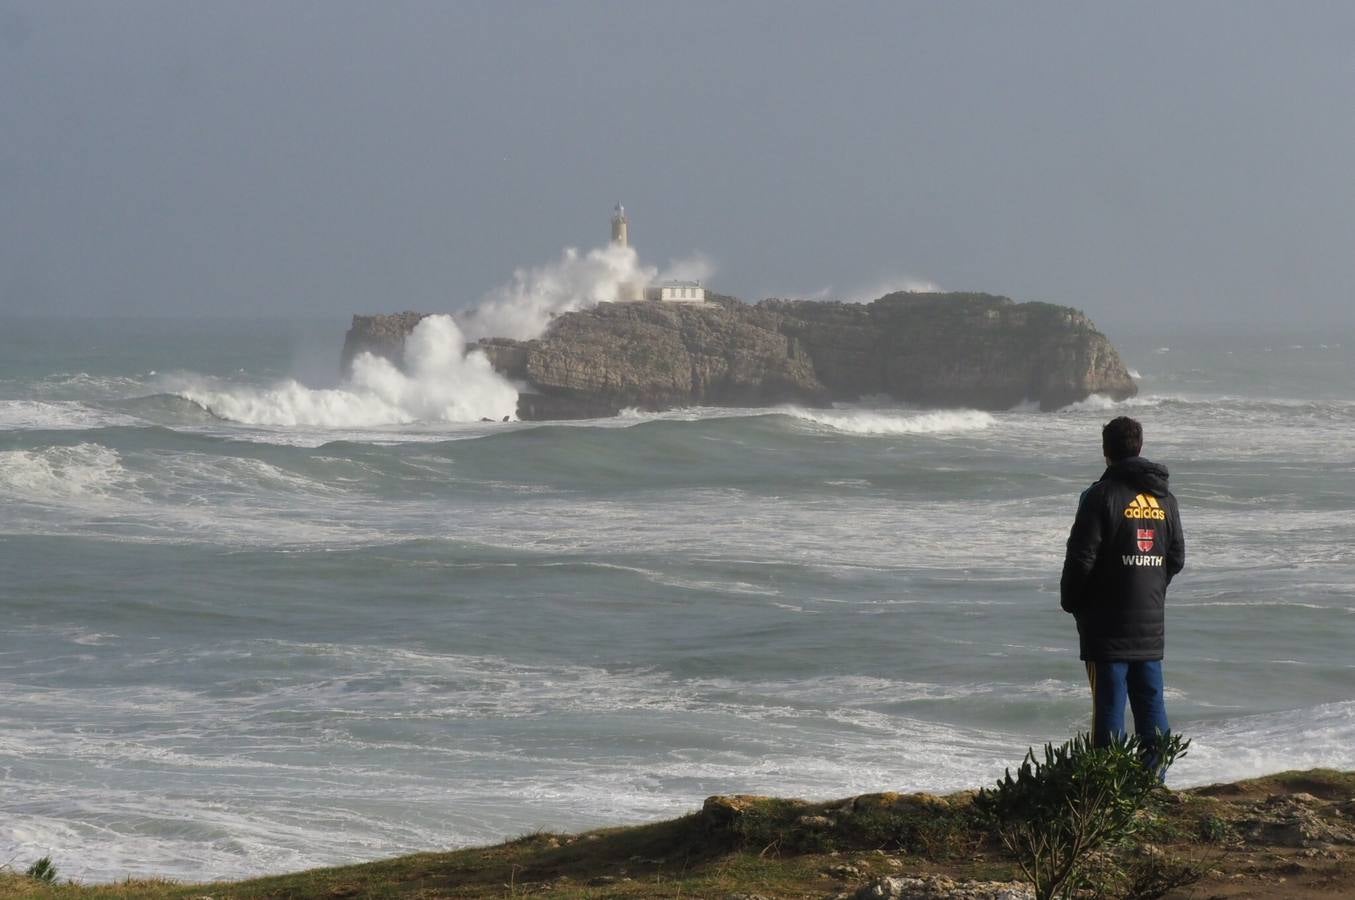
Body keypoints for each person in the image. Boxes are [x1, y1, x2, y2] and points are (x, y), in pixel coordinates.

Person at [1060, 416, 1184, 758]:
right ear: (1139, 446)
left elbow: (1082, 558)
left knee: (1109, 712)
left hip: (1106, 626)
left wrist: (1071, 602)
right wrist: (1150, 586)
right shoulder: (1165, 499)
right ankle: (1152, 781)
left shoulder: (1099, 496)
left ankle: (1108, 786)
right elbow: (1175, 558)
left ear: (1106, 452)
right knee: (1151, 706)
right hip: (1149, 623)